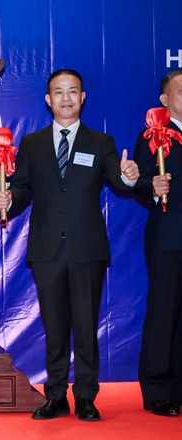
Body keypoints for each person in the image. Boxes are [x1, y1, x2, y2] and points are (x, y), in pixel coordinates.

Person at [0, 69, 139, 422]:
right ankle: (55, 395)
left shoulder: (100, 141)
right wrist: (9, 198)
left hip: (87, 248)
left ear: (83, 98)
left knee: (86, 325)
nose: (66, 98)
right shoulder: (33, 143)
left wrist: (129, 176)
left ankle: (86, 396)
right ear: (49, 99)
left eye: (73, 91)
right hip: (47, 248)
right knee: (55, 327)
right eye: (59, 92)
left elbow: (117, 178)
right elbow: (23, 188)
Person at [133, 68, 182, 417]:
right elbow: (139, 180)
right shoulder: (154, 136)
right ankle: (158, 389)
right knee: (165, 314)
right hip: (169, 237)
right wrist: (152, 187)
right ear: (165, 100)